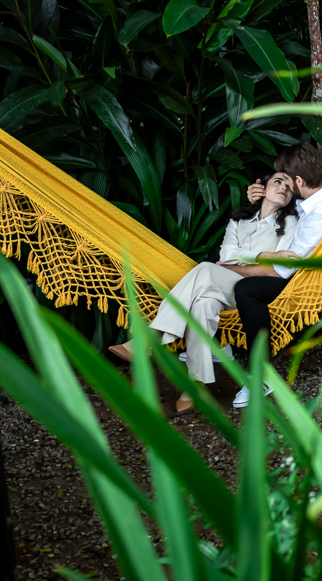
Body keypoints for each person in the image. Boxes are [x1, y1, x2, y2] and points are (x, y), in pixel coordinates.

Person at [108, 172, 300, 414]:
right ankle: (195, 386)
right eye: (278, 181)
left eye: (289, 187)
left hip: (252, 291)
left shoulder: (290, 223)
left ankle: (150, 336)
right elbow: (227, 253)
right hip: (219, 288)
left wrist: (240, 264)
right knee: (203, 305)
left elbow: (277, 267)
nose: (283, 188)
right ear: (262, 188)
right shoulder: (239, 220)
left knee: (206, 269)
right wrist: (265, 255)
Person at [230, 142, 322, 408]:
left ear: (299, 180)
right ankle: (210, 338)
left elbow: (282, 270)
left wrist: (231, 268)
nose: (282, 184)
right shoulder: (311, 197)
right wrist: (261, 200)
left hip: (300, 283)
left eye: (285, 181)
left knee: (246, 289)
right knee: (215, 261)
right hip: (281, 259)